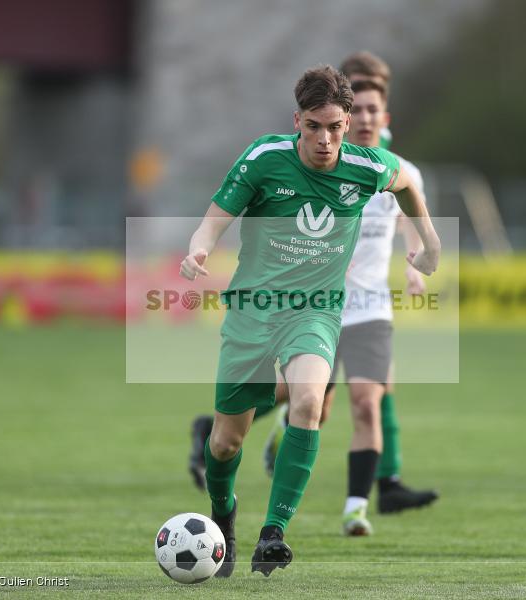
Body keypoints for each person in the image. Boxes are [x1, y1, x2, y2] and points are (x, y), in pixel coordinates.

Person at [180, 65, 440, 577]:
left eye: (336, 128)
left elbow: (407, 183)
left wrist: (429, 242)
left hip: (316, 310)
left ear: (348, 124)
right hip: (253, 310)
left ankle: (273, 533)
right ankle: (222, 516)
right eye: (315, 127)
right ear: (296, 120)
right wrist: (198, 252)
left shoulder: (367, 165)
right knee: (226, 441)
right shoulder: (264, 158)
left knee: (307, 401)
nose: (326, 139)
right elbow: (214, 219)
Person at [267, 78, 439, 537]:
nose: (363, 118)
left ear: (384, 119)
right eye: (357, 110)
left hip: (369, 308)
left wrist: (416, 265)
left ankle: (356, 508)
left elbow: (407, 215)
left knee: (367, 404)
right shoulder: (314, 161)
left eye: (371, 111)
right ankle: (243, 427)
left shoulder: (394, 169)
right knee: (302, 403)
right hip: (317, 307)